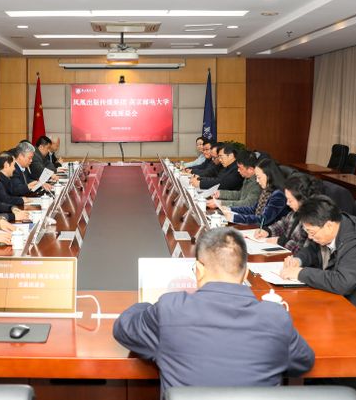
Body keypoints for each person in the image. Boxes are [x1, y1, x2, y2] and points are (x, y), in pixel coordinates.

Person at [113, 227, 314, 394]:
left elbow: (123, 329)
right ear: (245, 273)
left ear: (198, 270)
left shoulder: (171, 309)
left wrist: (147, 306)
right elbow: (303, 362)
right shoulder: (275, 317)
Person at [280, 195, 356, 326]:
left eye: (312, 232)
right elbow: (313, 250)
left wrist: (300, 273)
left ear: (329, 226)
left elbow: (342, 282)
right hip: (344, 302)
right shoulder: (335, 227)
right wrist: (298, 260)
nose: (310, 237)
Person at [253, 173, 321, 253]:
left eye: (290, 200)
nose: (287, 203)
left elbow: (303, 250)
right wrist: (268, 231)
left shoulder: (312, 219)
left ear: (302, 199)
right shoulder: (295, 212)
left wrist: (281, 242)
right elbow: (283, 223)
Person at [221, 156, 288, 227]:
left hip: (266, 231)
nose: (257, 181)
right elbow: (253, 209)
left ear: (269, 176)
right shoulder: (266, 190)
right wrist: (229, 209)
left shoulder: (279, 195)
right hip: (257, 228)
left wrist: (234, 217)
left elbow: (263, 220)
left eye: (259, 177)